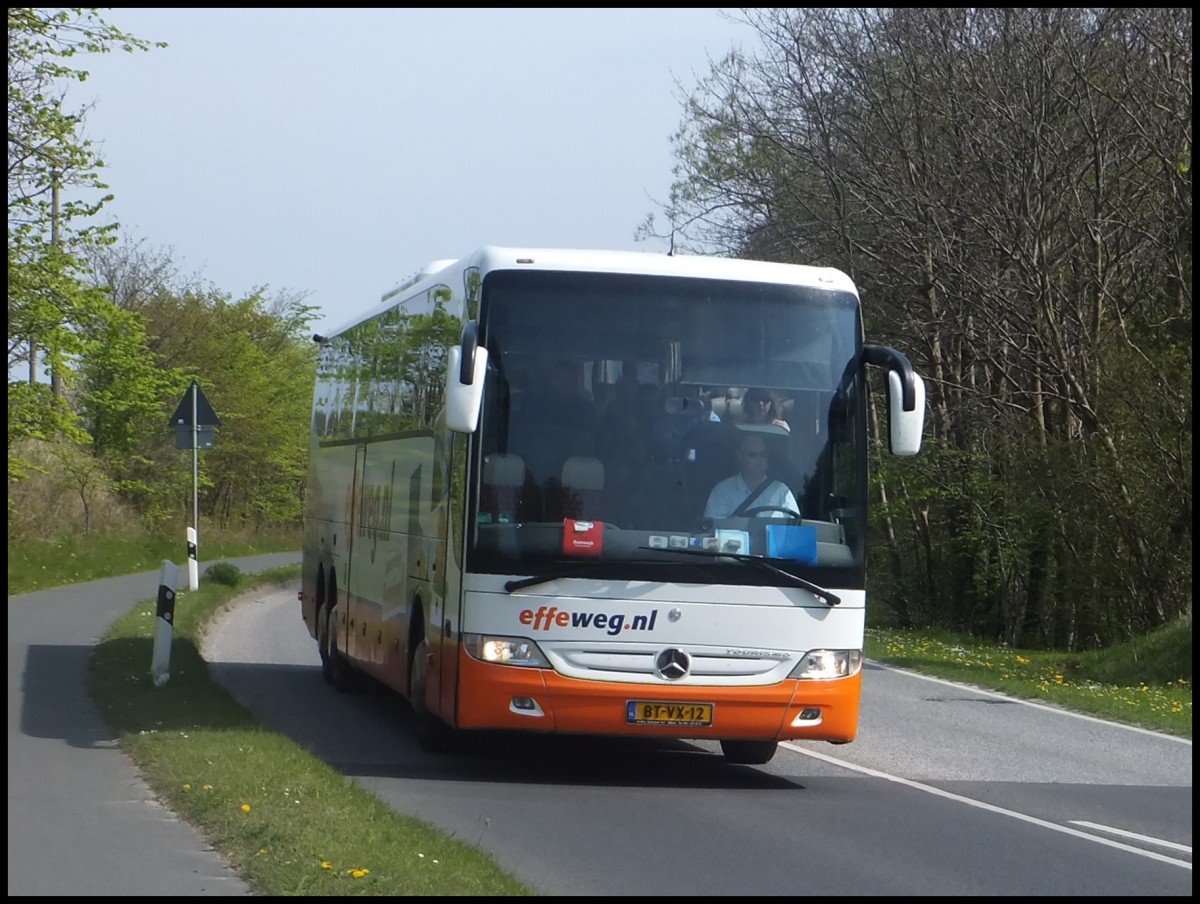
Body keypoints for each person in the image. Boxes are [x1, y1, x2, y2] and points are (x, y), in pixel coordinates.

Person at [704, 432, 800, 519]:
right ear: (740, 457)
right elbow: (712, 530)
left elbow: (795, 529)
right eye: (752, 455)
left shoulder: (781, 491)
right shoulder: (723, 491)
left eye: (763, 454)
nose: (759, 460)